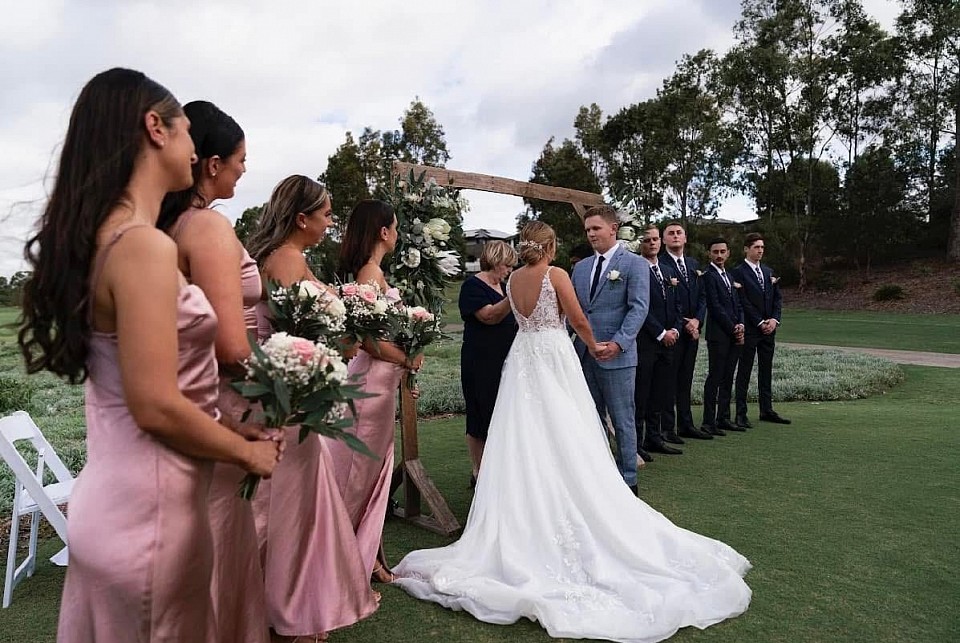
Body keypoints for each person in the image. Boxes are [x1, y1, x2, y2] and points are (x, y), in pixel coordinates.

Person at [393, 221, 751, 643]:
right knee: (569, 430)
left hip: (522, 359)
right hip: (553, 357)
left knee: (525, 436)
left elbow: (511, 317)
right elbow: (577, 318)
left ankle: (529, 512)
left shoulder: (514, 280)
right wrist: (596, 345)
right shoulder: (555, 273)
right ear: (550, 245)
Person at [17, 68, 280, 643]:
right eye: (186, 131)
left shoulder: (109, 238)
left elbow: (145, 383)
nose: (195, 150)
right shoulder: (142, 246)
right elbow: (155, 405)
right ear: (155, 128)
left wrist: (229, 426)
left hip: (121, 499)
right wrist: (245, 451)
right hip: (150, 514)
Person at [157, 99, 273, 643]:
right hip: (224, 396)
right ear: (212, 164)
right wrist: (297, 377)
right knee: (221, 537)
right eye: (241, 159)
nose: (244, 169)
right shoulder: (205, 227)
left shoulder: (167, 226)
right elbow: (230, 345)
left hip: (191, 390)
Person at [245, 175, 379, 640]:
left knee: (295, 507)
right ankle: (281, 612)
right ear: (301, 218)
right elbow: (296, 331)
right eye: (325, 214)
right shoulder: (283, 259)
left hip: (299, 396)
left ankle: (292, 607)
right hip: (288, 399)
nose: (330, 222)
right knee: (283, 511)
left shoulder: (289, 257)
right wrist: (339, 339)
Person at [326, 200, 422, 584]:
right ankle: (342, 563)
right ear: (383, 232)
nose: (397, 233)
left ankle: (370, 556)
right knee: (356, 478)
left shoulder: (375, 273)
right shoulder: (368, 275)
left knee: (373, 477)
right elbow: (364, 341)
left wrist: (410, 356)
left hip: (382, 386)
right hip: (368, 388)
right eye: (395, 227)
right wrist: (407, 357)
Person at [570, 206, 647, 493]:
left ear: (613, 228)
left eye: (596, 228)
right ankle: (600, 478)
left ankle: (628, 480)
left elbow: (639, 308)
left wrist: (618, 343)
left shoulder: (634, 264)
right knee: (591, 419)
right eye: (587, 230)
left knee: (622, 419)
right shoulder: (580, 268)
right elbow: (575, 311)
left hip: (618, 357)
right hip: (584, 355)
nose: (591, 234)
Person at [458, 240, 517, 487]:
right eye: (507, 265)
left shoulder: (503, 286)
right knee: (480, 414)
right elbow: (489, 316)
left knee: (501, 413)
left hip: (506, 359)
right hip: (480, 360)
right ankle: (479, 471)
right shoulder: (472, 286)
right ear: (495, 261)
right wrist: (513, 296)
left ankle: (500, 469)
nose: (510, 270)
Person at [635, 224, 684, 457]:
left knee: (660, 392)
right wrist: (660, 333)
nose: (652, 243)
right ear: (640, 244)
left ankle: (654, 437)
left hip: (668, 342)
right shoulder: (636, 269)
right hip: (646, 341)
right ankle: (636, 443)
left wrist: (675, 329)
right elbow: (639, 307)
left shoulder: (666, 270)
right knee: (641, 394)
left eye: (655, 239)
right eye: (647, 240)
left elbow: (677, 304)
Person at [733, 232, 790, 427]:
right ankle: (741, 413)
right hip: (751, 329)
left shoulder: (768, 271)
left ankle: (766, 410)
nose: (760, 251)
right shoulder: (738, 272)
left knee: (766, 370)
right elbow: (742, 301)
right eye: (756, 247)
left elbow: (777, 298)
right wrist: (759, 322)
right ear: (746, 249)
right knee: (745, 370)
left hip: (769, 330)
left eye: (762, 247)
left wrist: (774, 320)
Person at [661, 221, 712, 441]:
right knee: (668, 381)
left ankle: (686, 424)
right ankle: (667, 428)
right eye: (670, 233)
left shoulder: (693, 264)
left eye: (678, 233)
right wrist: (685, 323)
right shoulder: (660, 264)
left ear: (685, 238)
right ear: (664, 239)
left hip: (693, 331)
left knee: (686, 378)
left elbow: (703, 296)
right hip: (673, 331)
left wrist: (697, 321)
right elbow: (665, 301)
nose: (675, 236)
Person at [700, 238, 745, 436]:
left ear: (728, 253)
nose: (719, 255)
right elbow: (715, 306)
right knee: (715, 377)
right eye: (715, 252)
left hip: (734, 334)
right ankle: (708, 421)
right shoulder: (708, 276)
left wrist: (741, 324)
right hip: (718, 335)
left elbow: (738, 303)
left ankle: (724, 417)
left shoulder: (730, 275)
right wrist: (732, 327)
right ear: (709, 253)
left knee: (728, 376)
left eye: (722, 251)